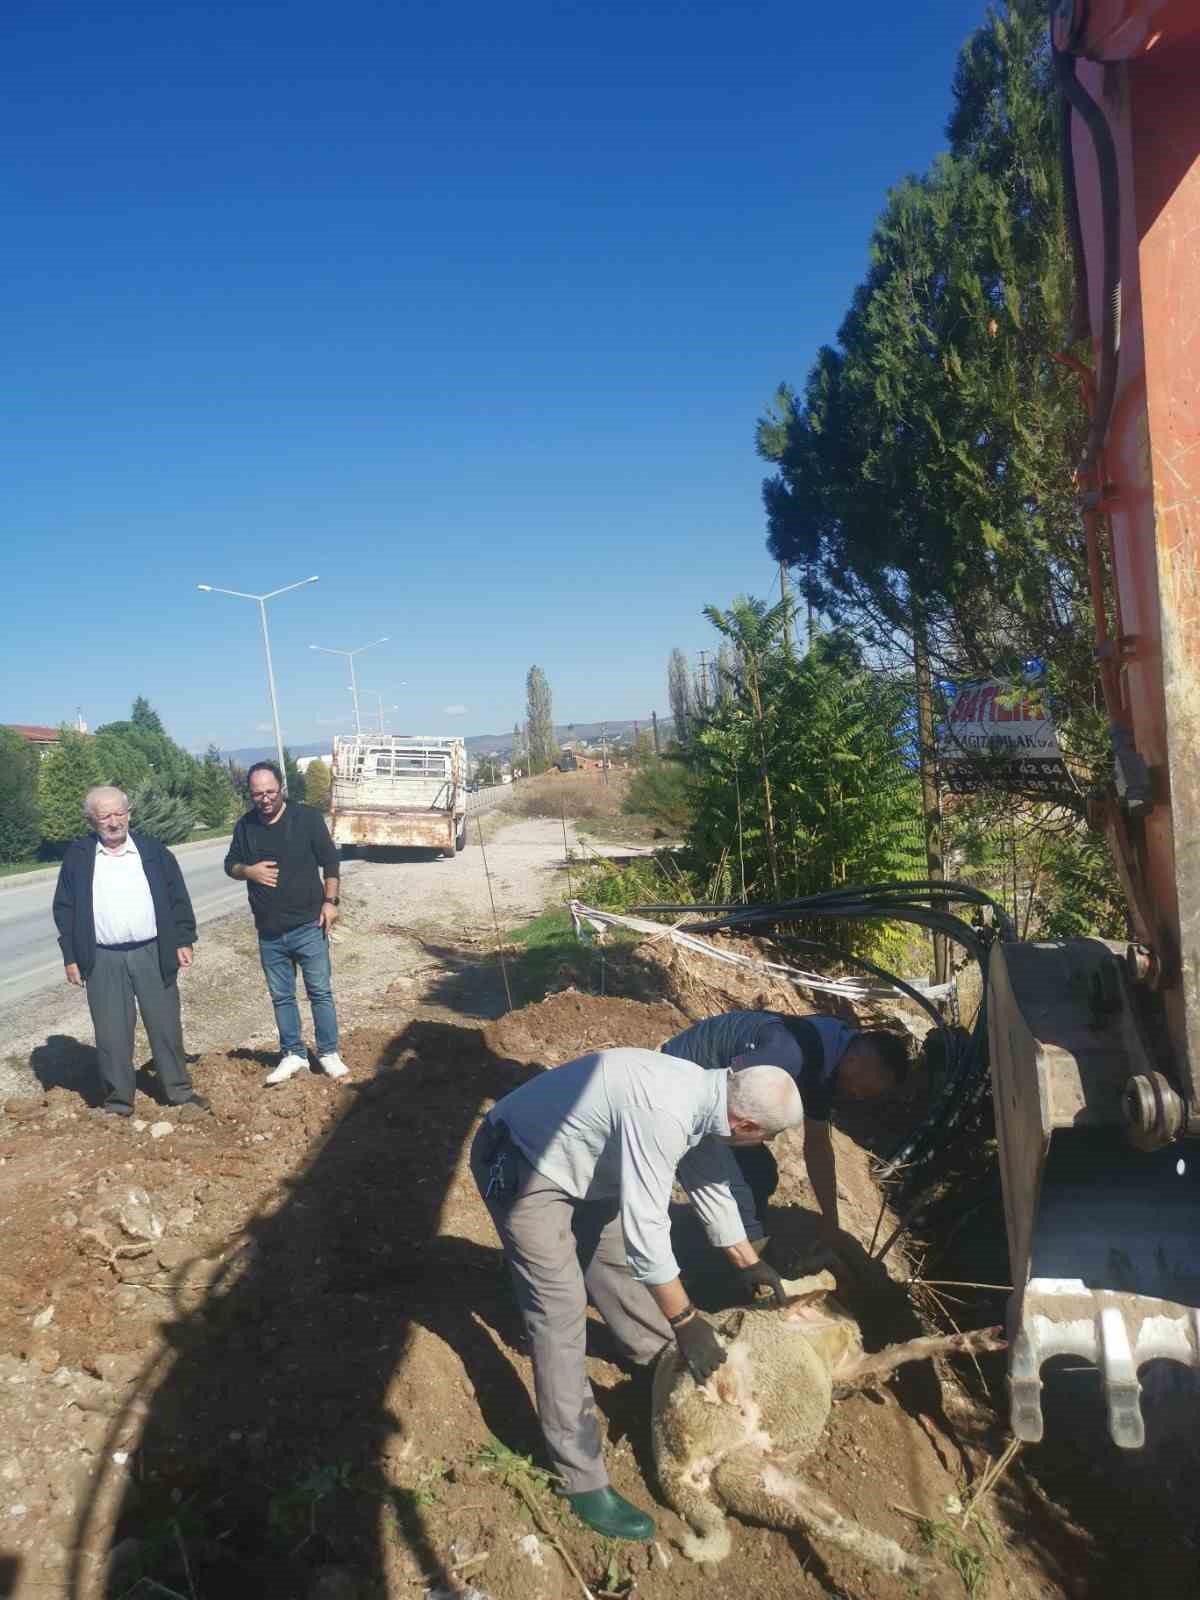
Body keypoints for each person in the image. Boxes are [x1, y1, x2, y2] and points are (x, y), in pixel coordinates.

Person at [470, 1047, 803, 1542]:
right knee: (559, 1312)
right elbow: (647, 1231)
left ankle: (661, 1369)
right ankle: (580, 1478)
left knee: (615, 1270)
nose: (767, 1144)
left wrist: (747, 1261)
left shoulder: (707, 1095)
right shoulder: (665, 1110)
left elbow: (707, 1176)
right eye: (769, 1136)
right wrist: (688, 1322)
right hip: (523, 1164)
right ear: (747, 1124)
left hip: (583, 1168)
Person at [660, 1011, 909, 1248]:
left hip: (716, 1098)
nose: (858, 1095)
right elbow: (723, 1095)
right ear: (857, 1062)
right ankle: (728, 1267)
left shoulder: (830, 1061)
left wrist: (831, 1220)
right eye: (863, 1088)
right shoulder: (790, 1053)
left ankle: (716, 1244)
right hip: (680, 1090)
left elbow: (818, 1144)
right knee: (738, 1195)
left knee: (760, 1175)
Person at [52, 786, 209, 1119]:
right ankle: (118, 1102)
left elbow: (178, 898)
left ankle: (179, 1092)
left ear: (129, 813)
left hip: (153, 951)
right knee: (111, 1033)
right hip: (102, 958)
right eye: (104, 815)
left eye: (119, 813)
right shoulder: (79, 857)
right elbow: (64, 910)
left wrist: (184, 939)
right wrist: (70, 956)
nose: (114, 821)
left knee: (165, 1024)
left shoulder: (153, 852)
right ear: (91, 820)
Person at [224, 761, 349, 1085]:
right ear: (250, 795)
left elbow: (331, 862)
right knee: (282, 997)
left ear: (281, 789)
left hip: (309, 925)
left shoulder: (306, 819)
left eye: (270, 792)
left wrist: (330, 902)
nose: (264, 799)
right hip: (269, 932)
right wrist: (248, 871)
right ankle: (293, 1054)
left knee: (319, 991)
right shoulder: (246, 826)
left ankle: (328, 1053)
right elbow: (230, 864)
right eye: (257, 794)